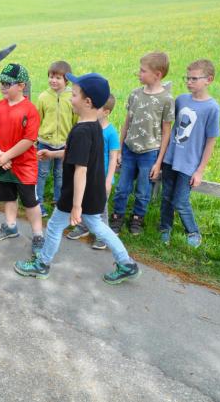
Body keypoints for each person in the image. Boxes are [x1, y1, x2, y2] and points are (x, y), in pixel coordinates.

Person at [14, 73, 142, 285]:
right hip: (93, 192)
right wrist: (54, 154)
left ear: (87, 102)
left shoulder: (82, 131)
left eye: (73, 95)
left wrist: (76, 206)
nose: (70, 98)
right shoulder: (94, 127)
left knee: (55, 227)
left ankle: (42, 265)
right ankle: (127, 263)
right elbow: (77, 154)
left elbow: (80, 169)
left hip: (77, 194)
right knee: (99, 227)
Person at [110, 52, 174, 235]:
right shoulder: (135, 94)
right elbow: (126, 124)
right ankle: (117, 216)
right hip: (130, 150)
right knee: (122, 187)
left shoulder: (166, 100)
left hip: (149, 153)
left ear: (158, 74)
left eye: (143, 71)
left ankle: (137, 219)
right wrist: (119, 150)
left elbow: (166, 132)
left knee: (143, 191)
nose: (139, 73)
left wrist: (159, 161)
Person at [0, 64, 43, 264]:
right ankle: (10, 226)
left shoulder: (30, 110)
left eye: (7, 83)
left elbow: (29, 140)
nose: (2, 87)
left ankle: (37, 235)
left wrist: (6, 156)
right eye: (0, 82)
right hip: (3, 162)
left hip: (24, 166)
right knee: (8, 197)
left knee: (30, 202)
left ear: (21, 85)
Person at [160, 59, 220, 248]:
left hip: (189, 164)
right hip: (171, 158)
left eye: (194, 78)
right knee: (167, 196)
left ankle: (193, 231)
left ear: (208, 80)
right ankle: (165, 228)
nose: (189, 82)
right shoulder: (181, 100)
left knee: (180, 200)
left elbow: (211, 140)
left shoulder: (212, 108)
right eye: (187, 78)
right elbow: (169, 127)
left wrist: (200, 170)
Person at [66, 94, 119, 249]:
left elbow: (113, 157)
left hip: (101, 179)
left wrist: (108, 180)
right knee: (83, 202)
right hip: (86, 176)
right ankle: (83, 227)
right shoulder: (89, 128)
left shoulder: (111, 132)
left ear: (106, 112)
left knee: (100, 209)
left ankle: (103, 235)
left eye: (98, 107)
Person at [36, 60, 78, 217]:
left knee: (60, 174)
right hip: (45, 143)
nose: (53, 80)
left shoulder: (71, 97)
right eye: (51, 76)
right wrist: (36, 140)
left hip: (64, 145)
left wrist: (71, 139)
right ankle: (38, 202)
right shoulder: (43, 97)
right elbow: (38, 119)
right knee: (42, 174)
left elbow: (75, 120)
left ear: (66, 80)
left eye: (58, 78)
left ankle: (59, 202)